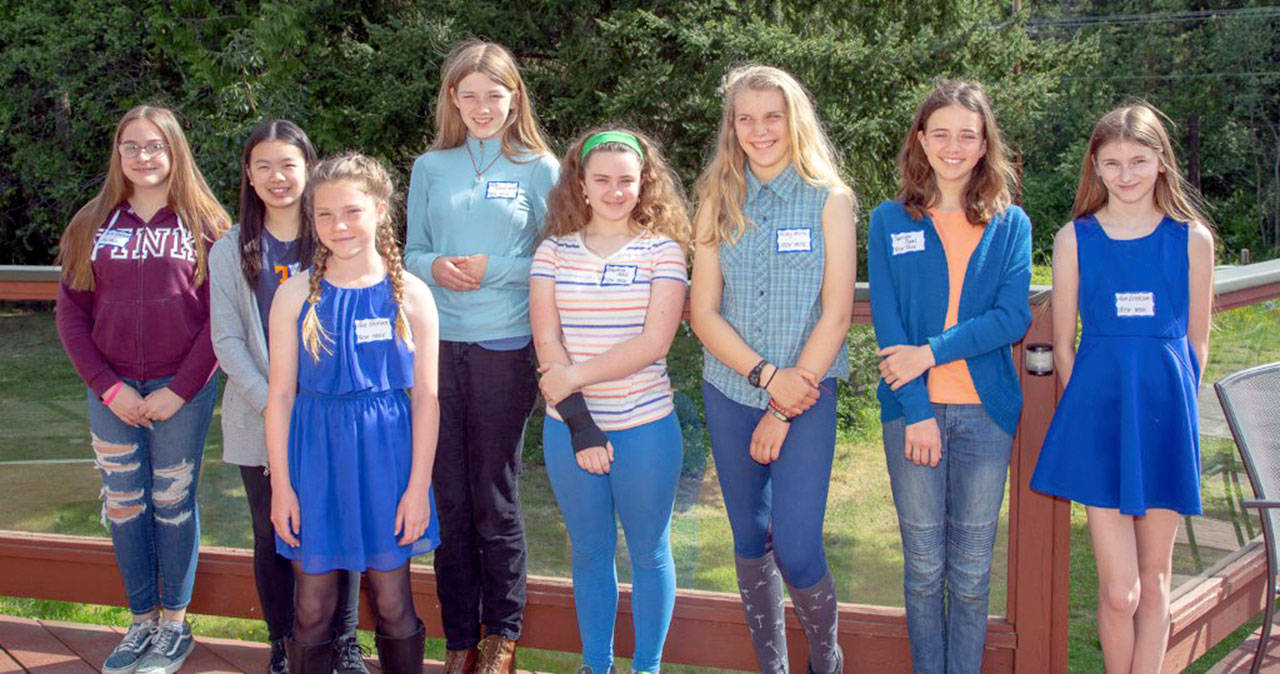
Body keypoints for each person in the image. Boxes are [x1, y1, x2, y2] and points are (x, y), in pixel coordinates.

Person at [1031, 104, 1213, 674]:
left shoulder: (1192, 239)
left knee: (1156, 580)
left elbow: (1197, 342)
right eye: (1112, 163)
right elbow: (1063, 344)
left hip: (1164, 420)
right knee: (1119, 591)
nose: (1126, 174)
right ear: (1095, 167)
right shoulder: (1074, 238)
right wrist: (1087, 411)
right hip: (1101, 419)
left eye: (1138, 160)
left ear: (1161, 162)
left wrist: (1177, 410)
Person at [688, 65, 856, 674]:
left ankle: (826, 662)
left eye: (772, 117)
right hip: (731, 388)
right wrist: (764, 378)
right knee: (748, 540)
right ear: (731, 127)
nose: (760, 130)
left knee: (797, 546)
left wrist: (785, 402)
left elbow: (837, 314)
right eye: (746, 118)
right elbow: (703, 313)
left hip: (807, 396)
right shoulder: (716, 199)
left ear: (794, 120)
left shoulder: (829, 199)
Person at [55, 104, 228, 674]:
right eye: (131, 146)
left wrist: (180, 390)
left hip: (183, 390)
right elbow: (71, 316)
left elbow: (218, 320)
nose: (143, 157)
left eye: (155, 145)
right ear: (118, 154)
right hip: (114, 391)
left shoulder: (207, 224)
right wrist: (108, 389)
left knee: (172, 501)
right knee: (127, 504)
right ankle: (140, 623)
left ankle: (173, 626)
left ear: (174, 150)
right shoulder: (92, 223)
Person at [403, 39, 558, 674]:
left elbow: (554, 261)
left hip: (505, 348)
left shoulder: (541, 168)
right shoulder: (430, 168)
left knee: (494, 496)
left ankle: (503, 636)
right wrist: (434, 265)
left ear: (513, 96)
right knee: (450, 497)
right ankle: (459, 637)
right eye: (468, 95)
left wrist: (494, 268)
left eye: (493, 94)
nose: (481, 107)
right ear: (452, 100)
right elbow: (408, 255)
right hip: (438, 348)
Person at [867, 80, 1032, 674]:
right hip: (912, 413)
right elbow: (889, 329)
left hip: (985, 416)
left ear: (985, 142)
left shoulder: (1010, 224)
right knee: (923, 569)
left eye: (968, 134)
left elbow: (1011, 317)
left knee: (969, 574)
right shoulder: (889, 221)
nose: (954, 146)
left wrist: (931, 352)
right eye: (941, 134)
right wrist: (917, 411)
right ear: (921, 141)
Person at [265, 153, 441, 674]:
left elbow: (427, 399)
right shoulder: (294, 295)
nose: (338, 226)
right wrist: (281, 488)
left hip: (389, 464)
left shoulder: (412, 295)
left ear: (380, 210)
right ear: (311, 220)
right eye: (324, 215)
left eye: (352, 211)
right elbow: (278, 397)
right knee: (312, 607)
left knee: (392, 601)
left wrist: (417, 488)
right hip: (315, 462)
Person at [530, 128, 690, 674]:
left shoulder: (663, 251)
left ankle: (646, 667)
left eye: (627, 179)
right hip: (570, 430)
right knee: (591, 554)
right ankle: (595, 666)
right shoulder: (552, 251)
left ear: (645, 182)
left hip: (646, 426)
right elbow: (546, 342)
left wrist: (573, 376)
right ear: (581, 183)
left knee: (649, 552)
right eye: (602, 179)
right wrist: (582, 426)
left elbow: (653, 343)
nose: (615, 190)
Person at [209, 120, 367, 674]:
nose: (278, 177)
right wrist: (274, 403)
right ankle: (285, 645)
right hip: (260, 419)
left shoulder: (333, 236)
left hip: (335, 415)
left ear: (309, 168)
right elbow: (226, 339)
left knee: (341, 525)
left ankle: (342, 643)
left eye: (288, 164)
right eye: (264, 166)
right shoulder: (230, 250)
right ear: (249, 177)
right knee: (274, 532)